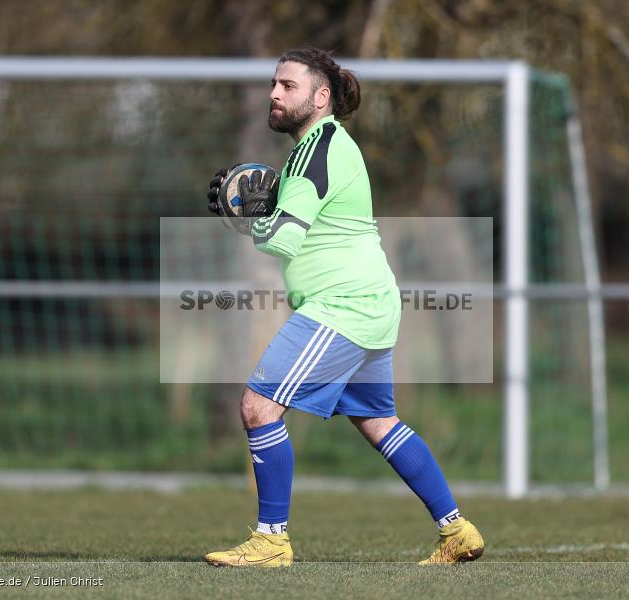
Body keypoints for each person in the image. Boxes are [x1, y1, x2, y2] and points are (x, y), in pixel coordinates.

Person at [203, 46, 484, 567]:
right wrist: (259, 216)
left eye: (288, 85)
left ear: (321, 95)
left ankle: (271, 541)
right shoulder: (320, 148)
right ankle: (457, 531)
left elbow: (284, 238)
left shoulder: (318, 147)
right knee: (380, 423)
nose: (275, 93)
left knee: (258, 406)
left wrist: (245, 219)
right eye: (274, 84)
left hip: (343, 306)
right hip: (370, 303)